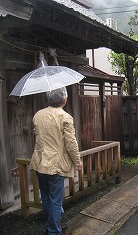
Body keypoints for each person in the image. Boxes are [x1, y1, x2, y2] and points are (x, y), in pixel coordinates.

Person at [30, 87, 83, 235]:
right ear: (64, 100)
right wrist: (77, 161)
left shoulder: (38, 115)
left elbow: (38, 136)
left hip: (40, 162)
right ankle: (54, 231)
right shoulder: (65, 117)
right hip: (55, 165)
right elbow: (71, 143)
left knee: (46, 197)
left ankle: (53, 225)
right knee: (55, 201)